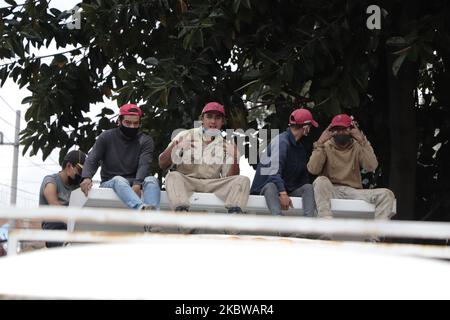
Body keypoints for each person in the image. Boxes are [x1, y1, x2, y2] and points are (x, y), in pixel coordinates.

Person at [159, 102, 250, 213]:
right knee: (173, 176)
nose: (213, 121)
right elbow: (162, 164)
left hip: (212, 184)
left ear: (222, 122)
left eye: (217, 118)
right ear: (202, 119)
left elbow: (230, 178)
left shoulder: (227, 145)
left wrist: (235, 158)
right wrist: (176, 147)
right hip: (187, 182)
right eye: (209, 117)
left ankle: (234, 217)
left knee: (243, 180)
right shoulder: (185, 135)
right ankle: (181, 212)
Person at [307, 114, 395, 222]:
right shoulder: (325, 146)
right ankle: (326, 227)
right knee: (320, 181)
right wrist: (320, 143)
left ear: (351, 130)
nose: (340, 132)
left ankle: (374, 236)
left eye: (344, 129)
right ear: (331, 131)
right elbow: (313, 169)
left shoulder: (358, 146)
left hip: (354, 191)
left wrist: (362, 140)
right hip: (332, 190)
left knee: (387, 194)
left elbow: (371, 166)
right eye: (337, 129)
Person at [80, 103, 160, 211]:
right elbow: (92, 158)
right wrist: (86, 177)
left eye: (136, 123)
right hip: (111, 182)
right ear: (119, 121)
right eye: (128, 123)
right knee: (119, 180)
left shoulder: (145, 140)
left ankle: (153, 221)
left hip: (135, 181)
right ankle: (141, 209)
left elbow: (144, 164)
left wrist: (137, 184)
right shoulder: (106, 137)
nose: (132, 127)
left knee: (152, 180)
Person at [250, 109, 318, 217]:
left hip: (285, 190)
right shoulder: (281, 142)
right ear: (305, 127)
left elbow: (303, 177)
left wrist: (285, 192)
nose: (310, 129)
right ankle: (279, 224)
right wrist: (283, 193)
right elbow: (273, 173)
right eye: (310, 126)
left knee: (308, 187)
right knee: (271, 186)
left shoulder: (300, 147)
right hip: (265, 190)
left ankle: (308, 226)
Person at [39, 149, 87, 247]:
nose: (81, 175)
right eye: (79, 171)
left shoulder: (77, 186)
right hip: (54, 228)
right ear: (69, 166)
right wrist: (74, 223)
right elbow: (54, 205)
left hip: (72, 228)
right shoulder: (51, 182)